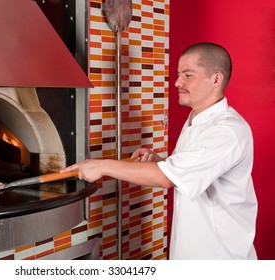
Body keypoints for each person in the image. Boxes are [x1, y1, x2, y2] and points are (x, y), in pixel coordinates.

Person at [61, 42, 258, 260]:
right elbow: (190, 173)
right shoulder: (197, 118)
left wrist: (101, 165)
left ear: (215, 79)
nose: (177, 82)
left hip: (220, 259)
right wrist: (160, 162)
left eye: (188, 75)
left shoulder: (226, 131)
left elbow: (166, 179)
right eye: (178, 74)